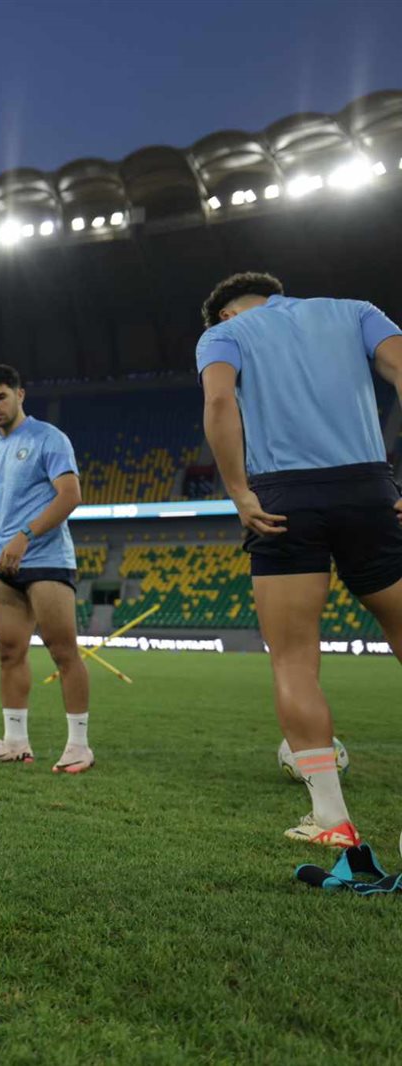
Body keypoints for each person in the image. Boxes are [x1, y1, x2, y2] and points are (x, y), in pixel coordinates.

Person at [197, 272, 402, 848]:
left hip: (283, 498)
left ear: (227, 313)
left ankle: (332, 820)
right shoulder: (356, 309)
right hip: (368, 488)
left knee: (293, 661)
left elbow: (219, 402)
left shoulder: (223, 335)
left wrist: (239, 493)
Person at [0, 364, 91, 773]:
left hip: (46, 560)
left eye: (0, 397)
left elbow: (70, 495)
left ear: (20, 395)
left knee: (63, 652)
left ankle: (79, 746)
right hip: (1, 566)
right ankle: (14, 742)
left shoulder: (48, 438)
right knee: (9, 653)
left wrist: (25, 535)